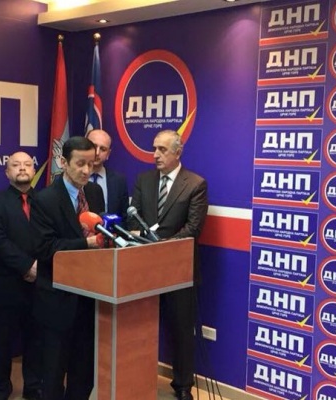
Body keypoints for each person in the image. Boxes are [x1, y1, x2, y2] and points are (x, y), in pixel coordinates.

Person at [128, 129, 208, 400]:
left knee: (181, 330)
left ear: (178, 152)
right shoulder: (144, 180)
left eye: (162, 150)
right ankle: (138, 378)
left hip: (179, 270)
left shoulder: (195, 184)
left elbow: (193, 228)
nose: (155, 155)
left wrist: (161, 246)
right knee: (140, 327)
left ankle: (183, 386)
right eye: (154, 148)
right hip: (144, 270)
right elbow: (133, 218)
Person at [30, 136, 104, 400]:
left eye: (91, 165)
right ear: (63, 162)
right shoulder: (45, 199)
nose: (86, 171)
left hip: (90, 296)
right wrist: (86, 243)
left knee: (83, 372)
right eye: (80, 164)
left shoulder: (94, 193)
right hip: (57, 299)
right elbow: (45, 248)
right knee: (53, 373)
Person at [0, 151, 43, 400]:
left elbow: (50, 238)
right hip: (8, 286)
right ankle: (0, 390)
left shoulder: (46, 201)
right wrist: (27, 266)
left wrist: (40, 267)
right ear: (7, 172)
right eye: (16, 165)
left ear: (34, 170)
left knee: (37, 341)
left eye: (27, 164)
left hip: (41, 284)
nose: (22, 168)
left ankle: (34, 387)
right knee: (1, 343)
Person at [85, 129, 129, 219]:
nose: (97, 153)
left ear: (108, 154)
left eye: (103, 149)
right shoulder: (74, 178)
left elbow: (124, 217)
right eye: (94, 146)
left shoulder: (118, 181)